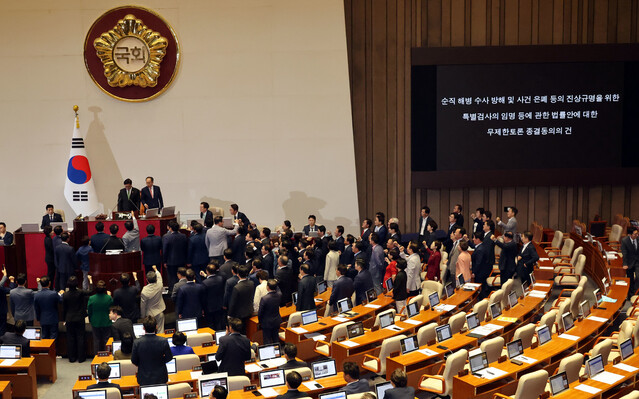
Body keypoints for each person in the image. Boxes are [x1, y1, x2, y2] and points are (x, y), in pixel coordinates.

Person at [131, 315, 173, 385]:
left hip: (144, 377)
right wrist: (160, 362)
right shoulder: (163, 341)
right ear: (156, 326)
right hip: (160, 377)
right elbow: (169, 357)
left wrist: (143, 363)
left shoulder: (137, 342)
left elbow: (134, 360)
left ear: (143, 328)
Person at [63, 275, 93, 363]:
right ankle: (81, 358)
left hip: (69, 318)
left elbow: (64, 309)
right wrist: (90, 281)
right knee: (81, 338)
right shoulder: (80, 292)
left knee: (70, 338)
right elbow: (90, 291)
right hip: (79, 318)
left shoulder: (65, 294)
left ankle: (72, 358)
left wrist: (64, 319)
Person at [88, 280, 114, 353]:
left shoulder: (91, 298)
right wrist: (110, 296)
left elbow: (89, 311)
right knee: (107, 340)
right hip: (106, 322)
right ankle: (108, 356)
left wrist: (91, 320)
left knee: (96, 340)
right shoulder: (108, 298)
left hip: (95, 322)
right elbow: (112, 307)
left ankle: (97, 357)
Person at [163, 221, 188, 290]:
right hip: (182, 260)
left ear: (170, 228)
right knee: (181, 276)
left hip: (171, 261)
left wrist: (164, 261)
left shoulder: (167, 237)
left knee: (171, 277)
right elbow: (186, 248)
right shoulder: (183, 236)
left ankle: (172, 291)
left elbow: (165, 250)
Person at [201, 261, 226, 330]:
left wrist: (202, 308)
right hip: (219, 305)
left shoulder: (204, 283)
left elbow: (203, 298)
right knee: (218, 323)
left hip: (209, 308)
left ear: (207, 271)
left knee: (210, 325)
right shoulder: (220, 279)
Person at [228, 265, 255, 329]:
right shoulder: (251, 283)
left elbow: (233, 303)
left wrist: (229, 315)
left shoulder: (237, 287)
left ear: (238, 274)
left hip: (240, 314)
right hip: (249, 311)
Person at [140, 265, 166, 333]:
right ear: (156, 279)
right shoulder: (160, 284)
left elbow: (143, 305)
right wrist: (156, 269)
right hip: (160, 311)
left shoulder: (144, 291)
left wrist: (142, 316)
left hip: (150, 315)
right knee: (161, 331)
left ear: (147, 280)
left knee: (150, 332)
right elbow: (159, 276)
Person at [258, 279, 282, 344]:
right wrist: (275, 283)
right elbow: (278, 289)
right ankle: (277, 353)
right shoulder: (279, 295)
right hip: (276, 321)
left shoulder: (264, 298)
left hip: (266, 323)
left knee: (267, 341)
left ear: (267, 287)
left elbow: (260, 312)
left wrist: (260, 321)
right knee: (276, 339)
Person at [471, 232, 490, 298]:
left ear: (478, 239)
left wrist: (474, 272)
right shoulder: (481, 246)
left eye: (474, 238)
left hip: (480, 273)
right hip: (483, 272)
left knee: (480, 290)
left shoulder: (480, 250)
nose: (473, 239)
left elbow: (478, 263)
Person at [622, 228, 639, 297]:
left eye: (637, 233)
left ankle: (635, 293)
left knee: (638, 277)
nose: (637, 235)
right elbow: (624, 253)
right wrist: (625, 264)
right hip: (629, 262)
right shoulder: (625, 241)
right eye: (635, 234)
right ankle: (630, 295)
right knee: (630, 279)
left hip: (638, 261)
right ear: (629, 235)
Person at [0, 267, 15, 336]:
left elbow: (1, 284)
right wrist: (12, 281)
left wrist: (5, 275)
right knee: (2, 328)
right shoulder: (1, 289)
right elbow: (11, 290)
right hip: (1, 311)